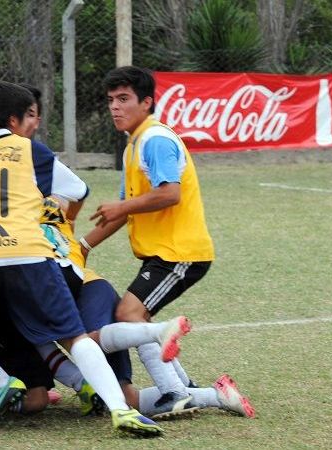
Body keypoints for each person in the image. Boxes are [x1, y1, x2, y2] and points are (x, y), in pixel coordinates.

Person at [0, 81, 162, 437]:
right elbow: (77, 190)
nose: (32, 124)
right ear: (13, 120)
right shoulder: (31, 150)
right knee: (74, 337)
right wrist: (57, 212)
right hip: (28, 254)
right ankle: (120, 411)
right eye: (28, 116)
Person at [81, 65, 216, 415]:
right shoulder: (135, 145)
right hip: (164, 254)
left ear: (146, 102)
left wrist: (122, 206)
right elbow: (122, 212)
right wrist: (83, 246)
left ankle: (174, 392)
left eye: (124, 98)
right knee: (136, 318)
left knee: (129, 313)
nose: (115, 107)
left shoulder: (154, 140)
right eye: (111, 100)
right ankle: (186, 388)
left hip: (180, 253)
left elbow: (170, 193)